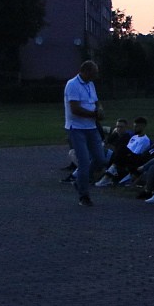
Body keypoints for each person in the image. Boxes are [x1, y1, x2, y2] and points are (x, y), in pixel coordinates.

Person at [64, 61, 108, 207]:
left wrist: (99, 109)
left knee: (100, 159)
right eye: (94, 73)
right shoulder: (72, 85)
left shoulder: (90, 84)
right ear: (86, 71)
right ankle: (84, 195)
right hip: (77, 128)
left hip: (91, 128)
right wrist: (94, 114)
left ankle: (79, 181)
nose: (96, 76)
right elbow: (75, 109)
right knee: (83, 162)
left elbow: (96, 101)